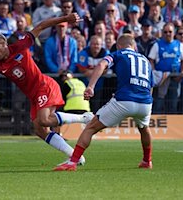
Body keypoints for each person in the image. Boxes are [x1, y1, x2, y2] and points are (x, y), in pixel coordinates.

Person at [0, 13, 93, 165]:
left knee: (44, 120)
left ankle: (84, 118)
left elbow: (41, 26)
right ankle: (76, 156)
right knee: (40, 130)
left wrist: (65, 19)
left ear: (4, 44)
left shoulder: (21, 46)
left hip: (44, 86)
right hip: (34, 95)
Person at [54, 34, 154, 171]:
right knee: (144, 128)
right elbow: (152, 85)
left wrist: (91, 86)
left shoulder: (118, 53)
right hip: (145, 102)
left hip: (124, 100)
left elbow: (101, 64)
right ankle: (147, 161)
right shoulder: (146, 60)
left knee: (90, 127)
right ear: (134, 46)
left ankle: (72, 162)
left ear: (119, 46)